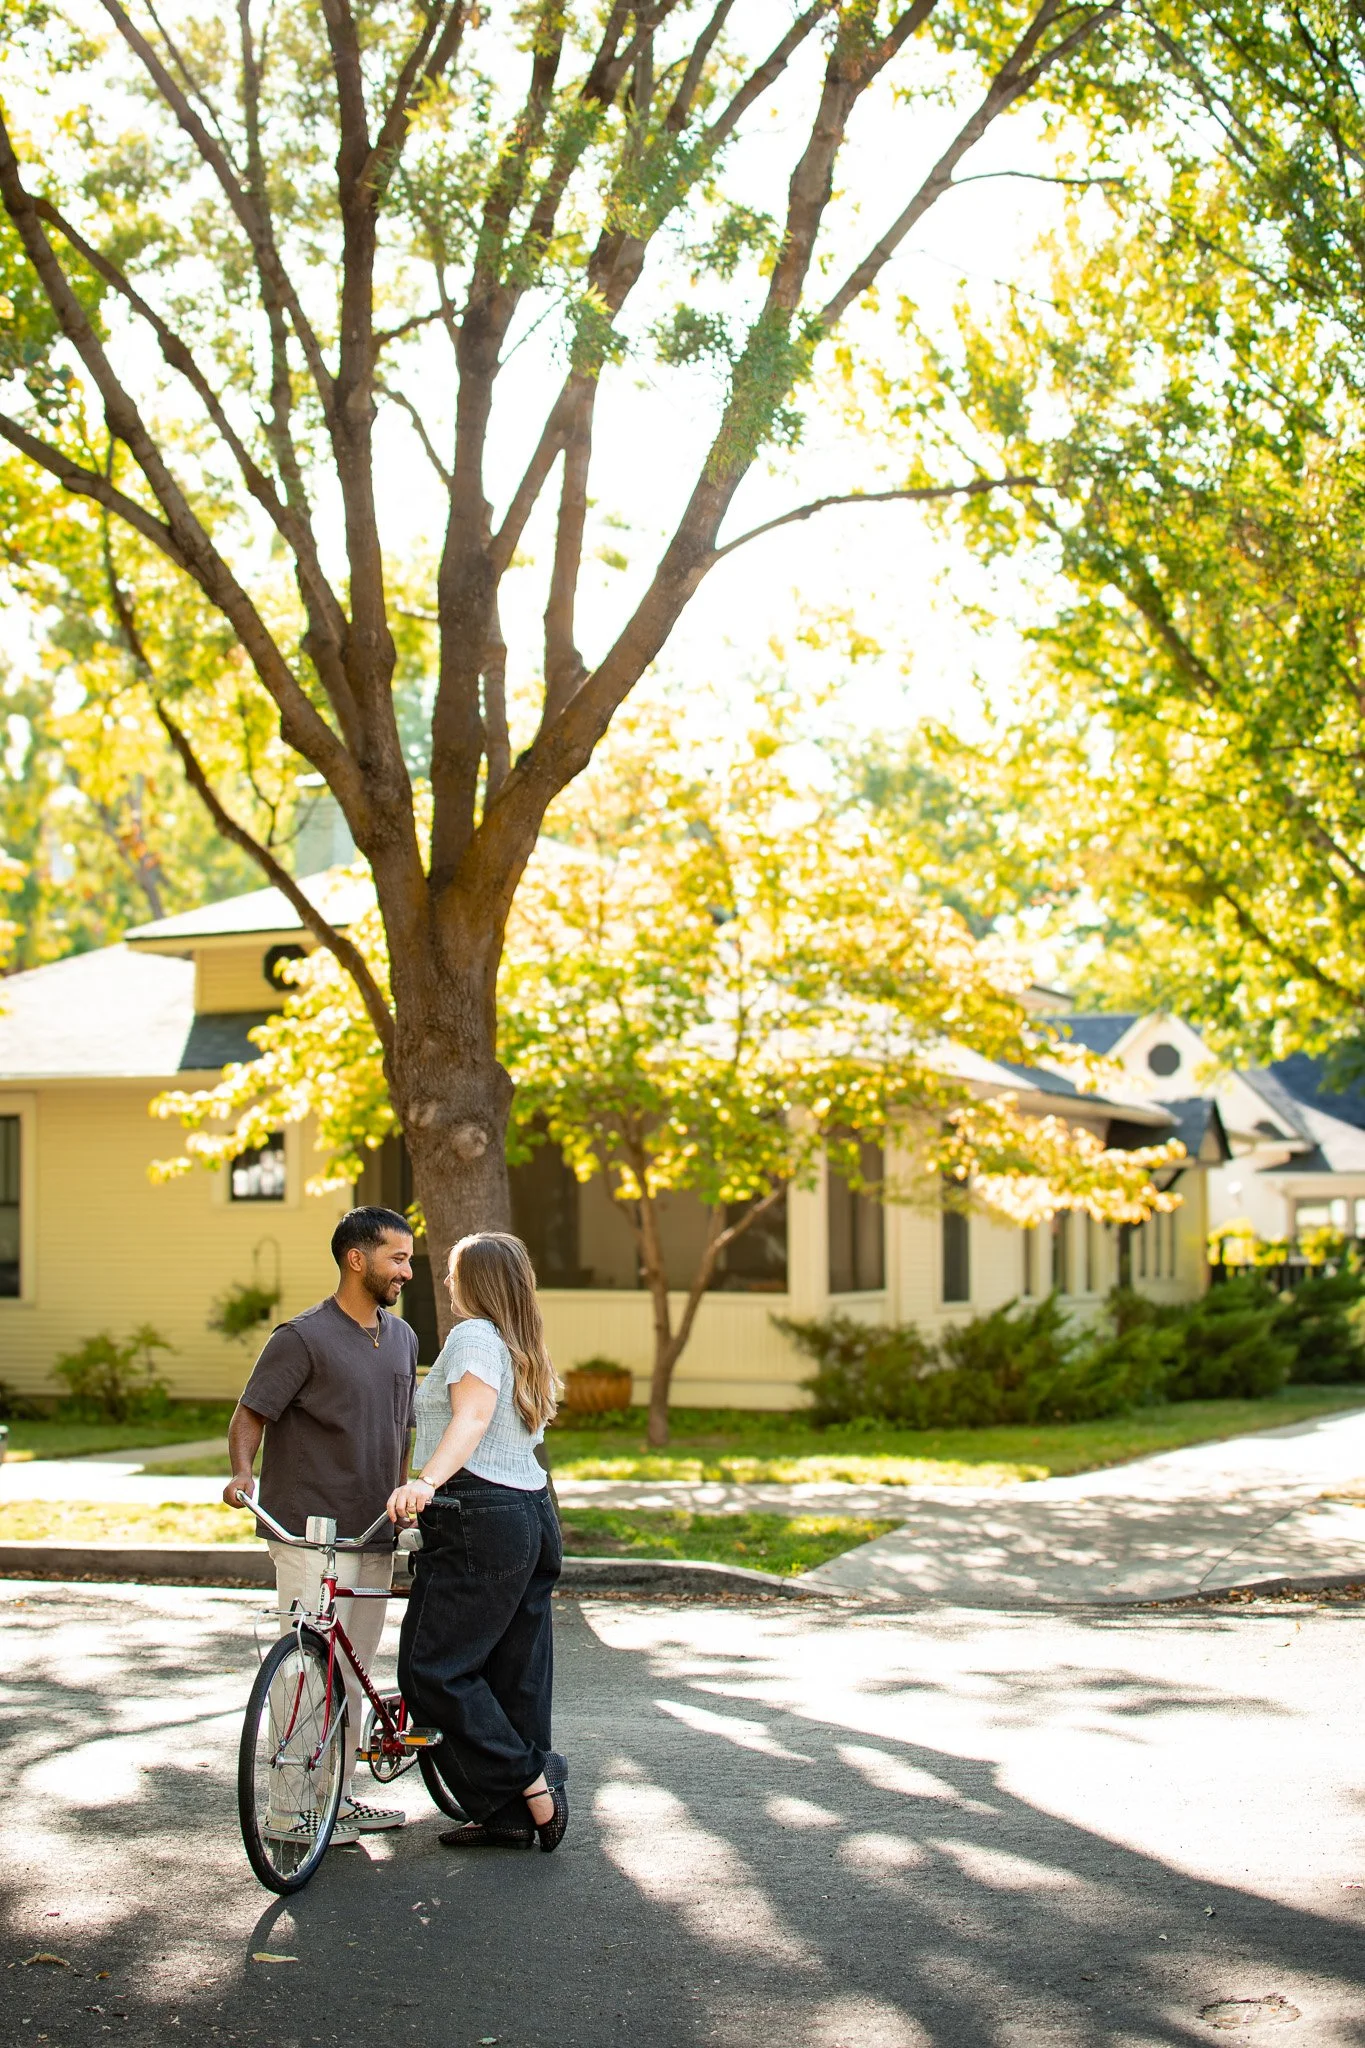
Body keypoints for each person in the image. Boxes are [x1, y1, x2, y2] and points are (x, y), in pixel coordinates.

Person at [224, 1204, 419, 1849]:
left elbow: (403, 1430)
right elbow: (250, 1415)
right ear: (355, 1258)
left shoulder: (403, 1338)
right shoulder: (301, 1337)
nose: (406, 1271)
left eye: (409, 1258)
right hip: (311, 1532)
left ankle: (336, 1797)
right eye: (397, 1257)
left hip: (375, 1532)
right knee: (307, 1671)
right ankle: (288, 1811)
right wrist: (243, 1476)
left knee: (354, 1667)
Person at [389, 1231, 567, 1852]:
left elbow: (471, 1419)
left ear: (479, 1281)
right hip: (531, 1510)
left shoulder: (473, 1337)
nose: (444, 1281)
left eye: (453, 1271)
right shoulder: (523, 1344)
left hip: (478, 1511)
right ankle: (512, 1816)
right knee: (514, 1666)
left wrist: (424, 1483)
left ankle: (529, 1782)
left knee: (432, 1667)